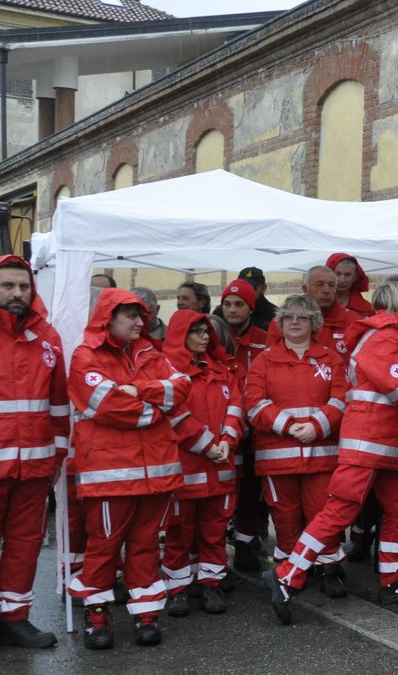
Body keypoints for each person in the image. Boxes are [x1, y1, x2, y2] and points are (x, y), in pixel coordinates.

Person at [266, 279, 398, 619]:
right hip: (370, 444)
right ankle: (287, 575)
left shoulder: (393, 337)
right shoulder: (385, 337)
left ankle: (393, 580)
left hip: (387, 446)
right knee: (339, 511)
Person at [67, 289, 190, 649]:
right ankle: (97, 617)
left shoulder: (151, 352)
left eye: (142, 316)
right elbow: (106, 404)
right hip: (110, 475)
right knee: (103, 549)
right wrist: (154, 408)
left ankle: (146, 615)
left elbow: (181, 388)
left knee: (145, 546)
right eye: (131, 316)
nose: (141, 323)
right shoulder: (85, 355)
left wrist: (135, 389)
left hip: (155, 472)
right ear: (109, 318)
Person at [246, 294, 349, 598]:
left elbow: (342, 398)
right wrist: (290, 427)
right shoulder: (264, 360)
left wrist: (317, 426)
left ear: (314, 322)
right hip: (277, 457)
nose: (294, 322)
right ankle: (290, 573)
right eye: (288, 317)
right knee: (285, 517)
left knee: (323, 514)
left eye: (302, 317)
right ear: (279, 322)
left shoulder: (331, 358)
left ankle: (329, 569)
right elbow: (253, 403)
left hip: (321, 455)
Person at [0, 256, 68, 648]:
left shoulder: (48, 336)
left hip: (35, 464)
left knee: (25, 542)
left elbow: (58, 404)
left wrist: (57, 454)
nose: (18, 294)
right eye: (9, 286)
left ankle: (14, 616)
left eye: (23, 287)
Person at [159, 310, 240, 617]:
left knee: (215, 529)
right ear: (181, 335)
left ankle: (210, 583)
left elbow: (236, 407)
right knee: (179, 531)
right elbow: (175, 415)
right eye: (197, 331)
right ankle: (178, 588)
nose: (205, 337)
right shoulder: (167, 372)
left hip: (218, 465)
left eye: (207, 332)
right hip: (186, 467)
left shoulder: (220, 371)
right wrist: (208, 445)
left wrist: (226, 442)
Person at [218, 278, 270, 571]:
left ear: (251, 308)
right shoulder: (213, 335)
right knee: (224, 489)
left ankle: (245, 543)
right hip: (221, 427)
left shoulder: (265, 339)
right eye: (227, 304)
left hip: (253, 428)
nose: (232, 309)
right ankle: (214, 550)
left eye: (239, 304)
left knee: (251, 490)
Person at [302, 265, 353, 358]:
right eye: (320, 284)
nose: (326, 290)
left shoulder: (352, 320)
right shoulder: (286, 320)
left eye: (331, 285)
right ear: (305, 289)